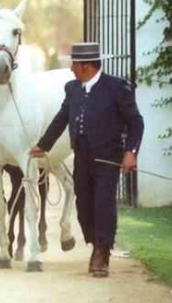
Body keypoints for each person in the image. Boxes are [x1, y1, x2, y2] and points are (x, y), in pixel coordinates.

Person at [29, 42, 144, 278]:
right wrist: (43, 145)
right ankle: (95, 244)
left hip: (107, 158)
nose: (71, 68)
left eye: (74, 63)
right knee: (83, 208)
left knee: (103, 204)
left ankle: (102, 252)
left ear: (87, 66)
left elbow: (136, 122)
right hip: (81, 157)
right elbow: (62, 118)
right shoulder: (72, 88)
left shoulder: (116, 88)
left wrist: (131, 152)